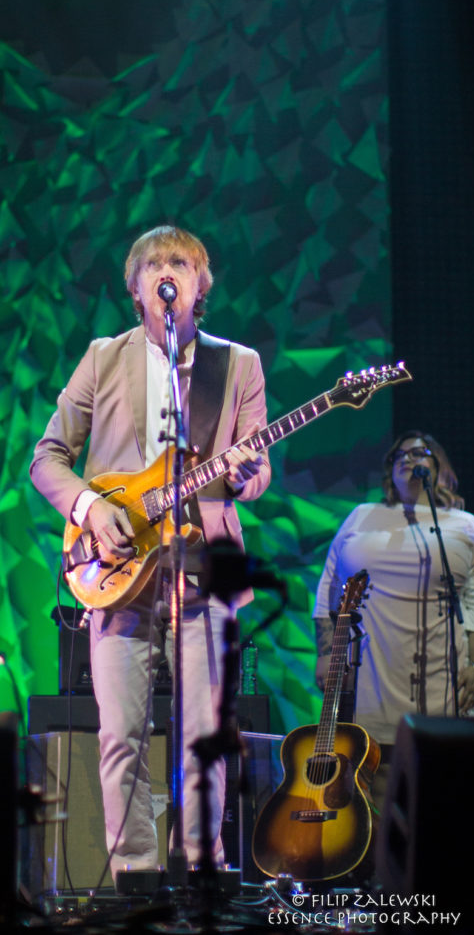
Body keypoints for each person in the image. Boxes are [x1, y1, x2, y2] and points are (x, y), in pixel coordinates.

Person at [30, 225, 271, 879]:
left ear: (201, 286)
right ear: (137, 288)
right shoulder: (104, 358)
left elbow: (256, 468)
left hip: (204, 577)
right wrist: (91, 507)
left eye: (184, 265)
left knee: (206, 742)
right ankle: (135, 879)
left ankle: (199, 873)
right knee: (120, 741)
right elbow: (47, 458)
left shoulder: (238, 365)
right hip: (115, 572)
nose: (171, 275)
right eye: (157, 266)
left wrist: (250, 475)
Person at [313, 430, 474, 775]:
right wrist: (325, 653)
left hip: (442, 677)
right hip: (371, 677)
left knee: (439, 787)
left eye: (421, 453)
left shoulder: (464, 525)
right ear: (389, 472)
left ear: (439, 467)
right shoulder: (362, 516)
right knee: (373, 785)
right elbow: (329, 587)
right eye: (401, 455)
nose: (410, 459)